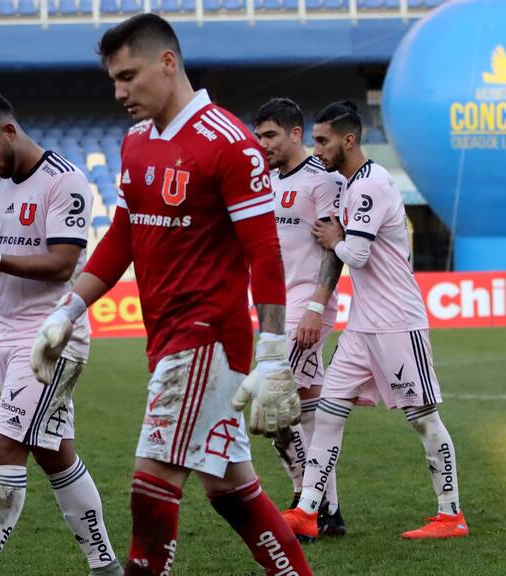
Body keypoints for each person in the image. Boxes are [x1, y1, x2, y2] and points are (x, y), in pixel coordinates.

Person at [30, 14, 312, 576]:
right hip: (166, 338)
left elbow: (265, 254)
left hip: (204, 340)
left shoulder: (230, 144)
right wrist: (68, 309)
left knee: (151, 480)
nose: (119, 92)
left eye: (128, 76)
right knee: (230, 483)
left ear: (168, 62)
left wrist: (274, 353)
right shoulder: (135, 142)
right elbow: (122, 237)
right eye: (113, 79)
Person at [0, 89, 122, 576]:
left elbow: (63, 264)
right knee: (53, 453)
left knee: (6, 445)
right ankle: (105, 565)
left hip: (54, 338)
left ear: (9, 131)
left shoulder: (64, 182)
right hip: (6, 335)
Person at [283, 100, 468, 541]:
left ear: (349, 140)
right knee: (329, 411)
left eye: (323, 140)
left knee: (423, 418)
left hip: (397, 323)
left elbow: (358, 255)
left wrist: (335, 238)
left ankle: (450, 515)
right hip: (363, 325)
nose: (316, 147)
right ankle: (309, 509)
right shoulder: (349, 185)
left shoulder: (371, 186)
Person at [253, 97, 347, 537]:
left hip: (306, 308)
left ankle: (303, 498)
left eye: (270, 134)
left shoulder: (322, 181)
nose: (262, 143)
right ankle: (324, 510)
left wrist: (315, 307)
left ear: (295, 133)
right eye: (258, 135)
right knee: (305, 409)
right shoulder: (267, 181)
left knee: (268, 404)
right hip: (276, 309)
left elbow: (334, 247)